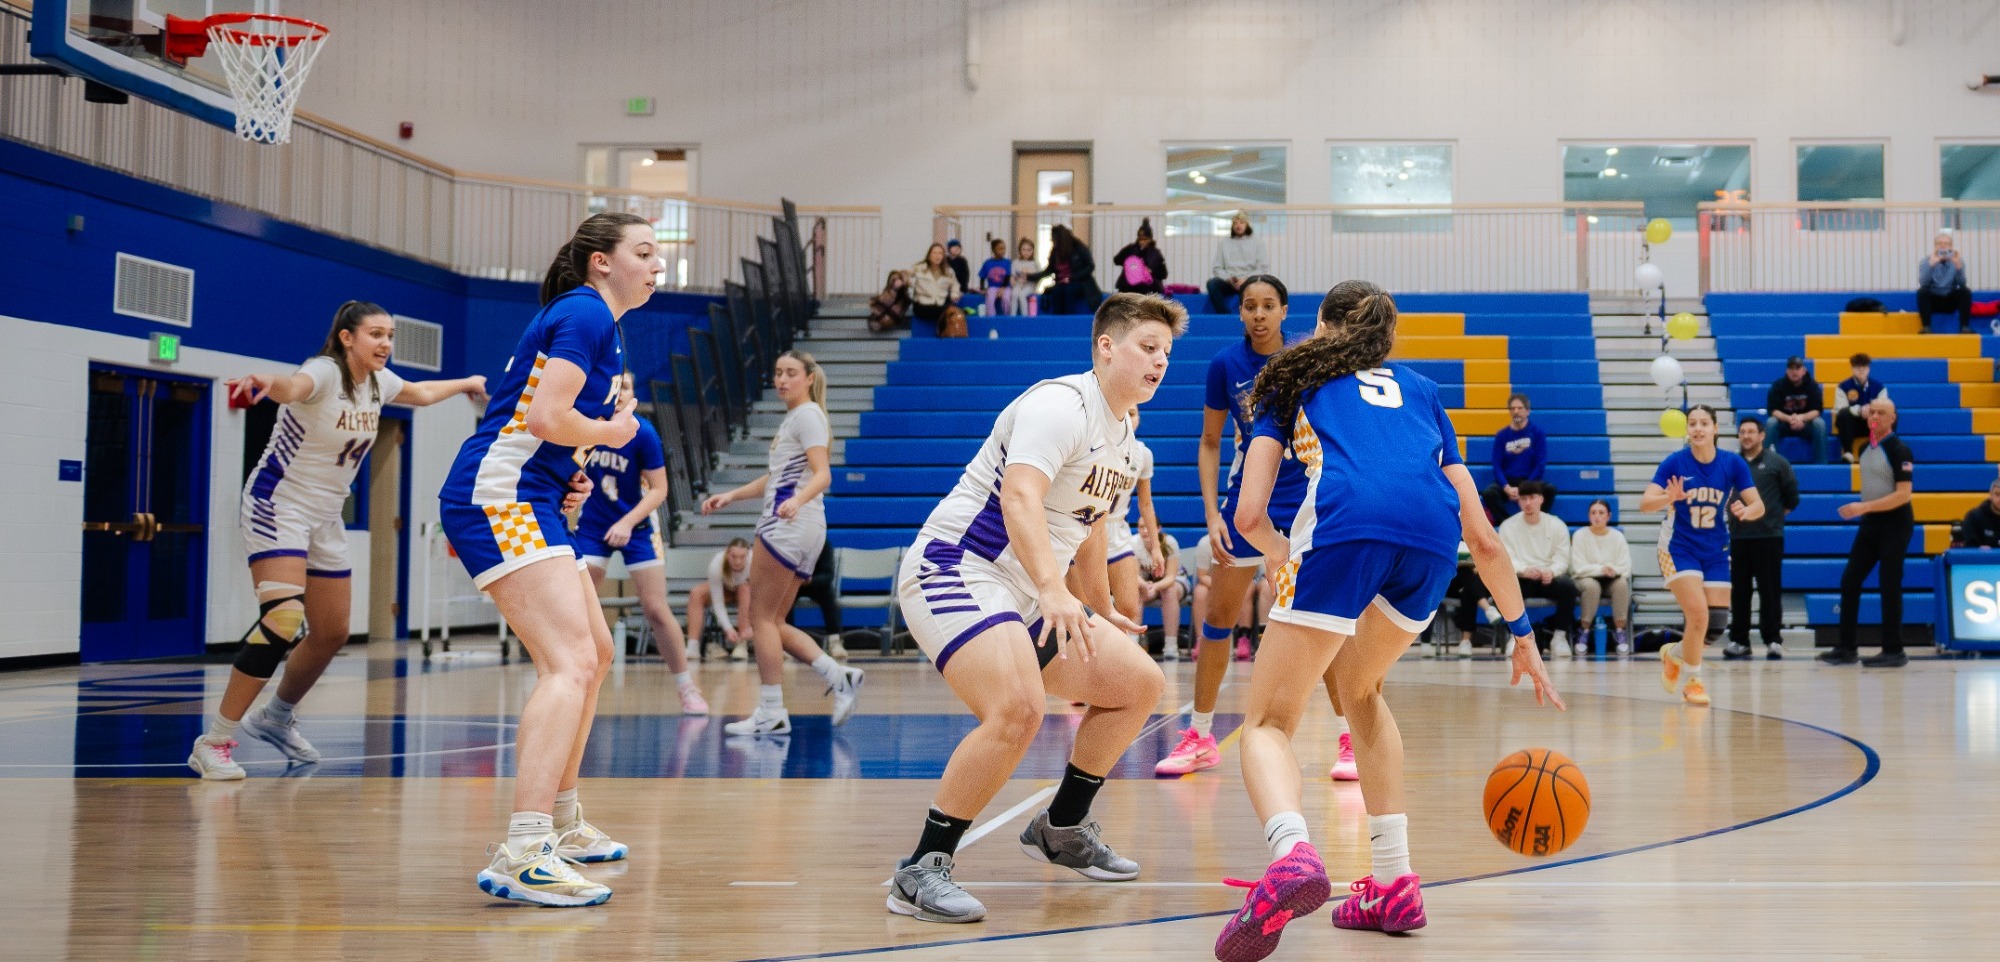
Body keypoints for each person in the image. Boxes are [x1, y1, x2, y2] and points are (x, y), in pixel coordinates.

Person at [1213, 280, 1564, 960]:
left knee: (1267, 724)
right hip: (1432, 543)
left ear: (1320, 328)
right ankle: (1395, 881)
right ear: (1387, 337)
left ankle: (1290, 855)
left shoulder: (1289, 382)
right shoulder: (1424, 392)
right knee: (1360, 689)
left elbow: (1249, 516)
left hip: (1346, 526)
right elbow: (1485, 540)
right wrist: (1522, 635)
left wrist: (1282, 556)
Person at [886, 293, 1183, 924]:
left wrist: (1099, 608)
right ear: (1106, 346)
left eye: (1167, 352)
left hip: (1027, 590)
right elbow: (1021, 499)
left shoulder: (1125, 431)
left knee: (1139, 685)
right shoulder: (1059, 404)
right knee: (1017, 709)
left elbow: (1092, 526)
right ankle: (921, 869)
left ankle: (1062, 828)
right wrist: (1055, 594)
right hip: (960, 566)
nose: (1160, 362)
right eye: (1147, 347)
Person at [439, 211, 657, 906]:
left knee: (595, 652)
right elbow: (542, 419)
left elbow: (541, 421)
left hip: (532, 493)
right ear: (601, 261)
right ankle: (524, 849)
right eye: (645, 252)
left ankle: (559, 824)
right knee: (570, 662)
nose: (659, 265)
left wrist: (573, 469)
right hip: (498, 495)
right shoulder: (587, 314)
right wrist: (611, 431)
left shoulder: (596, 322)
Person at [187, 301, 488, 781]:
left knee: (331, 632)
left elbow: (422, 392)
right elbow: (295, 386)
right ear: (348, 338)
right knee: (284, 618)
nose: (386, 343)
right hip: (277, 504)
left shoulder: (379, 383)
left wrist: (468, 383)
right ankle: (215, 741)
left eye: (390, 335)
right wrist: (270, 384)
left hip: (326, 515)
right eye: (375, 334)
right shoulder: (324, 372)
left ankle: (276, 716)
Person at [1156, 275, 1307, 778]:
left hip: (1304, 500)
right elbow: (1209, 441)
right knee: (1218, 619)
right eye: (1249, 306)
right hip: (1248, 502)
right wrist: (1211, 512)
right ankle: (1200, 734)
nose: (1259, 314)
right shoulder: (1225, 364)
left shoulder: (1306, 358)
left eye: (1268, 305)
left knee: (1328, 623)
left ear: (1284, 311)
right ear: (1240, 313)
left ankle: (1349, 738)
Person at [703, 351, 863, 734]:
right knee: (773, 621)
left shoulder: (807, 416)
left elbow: (823, 475)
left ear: (809, 377)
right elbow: (775, 479)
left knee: (760, 620)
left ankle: (772, 710)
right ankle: (838, 675)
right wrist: (731, 496)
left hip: (788, 525)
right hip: (805, 527)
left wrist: (795, 501)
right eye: (777, 373)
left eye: (791, 373)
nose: (782, 379)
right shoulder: (800, 417)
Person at [575, 373, 709, 714]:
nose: (620, 393)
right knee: (580, 604)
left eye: (628, 387)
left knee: (655, 607)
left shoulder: (643, 432)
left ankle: (686, 687)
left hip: (636, 524)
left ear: (635, 395)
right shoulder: (585, 425)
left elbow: (661, 490)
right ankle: (574, 679)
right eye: (614, 386)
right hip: (593, 524)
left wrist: (626, 522)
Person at [1640, 405, 1766, 707]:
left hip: (1715, 549)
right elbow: (1645, 503)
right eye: (1692, 423)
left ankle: (1673, 654)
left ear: (1715, 428)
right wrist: (1668, 497)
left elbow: (1758, 505)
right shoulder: (1674, 462)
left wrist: (1747, 511)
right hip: (1678, 547)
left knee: (1716, 626)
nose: (1697, 428)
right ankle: (1694, 682)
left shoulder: (1732, 463)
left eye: (1703, 423)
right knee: (1698, 614)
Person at [1820, 398, 1916, 668]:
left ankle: (1894, 650)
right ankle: (1847, 647)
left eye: (1881, 413)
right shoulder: (1864, 447)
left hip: (1896, 524)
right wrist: (1867, 509)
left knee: (1889, 584)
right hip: (1872, 523)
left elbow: (1903, 495)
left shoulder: (1900, 450)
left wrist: (1864, 506)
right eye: (1871, 411)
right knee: (1850, 580)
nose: (1874, 416)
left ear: (1892, 417)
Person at [1724, 419, 1800, 661]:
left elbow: (1792, 499)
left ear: (1762, 435)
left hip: (1769, 537)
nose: (1746, 436)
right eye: (1742, 432)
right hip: (1739, 537)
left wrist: (1771, 518)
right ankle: (1739, 640)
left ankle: (1773, 641)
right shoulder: (1731, 464)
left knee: (1769, 591)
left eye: (1751, 432)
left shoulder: (1778, 463)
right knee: (1740, 592)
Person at [1492, 482, 1580, 656]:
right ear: (1518, 501)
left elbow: (1562, 557)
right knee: (1506, 587)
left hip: (1548, 577)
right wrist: (1524, 570)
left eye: (1532, 498)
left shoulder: (1557, 525)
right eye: (1523, 498)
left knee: (1568, 587)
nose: (1528, 503)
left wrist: (1552, 571)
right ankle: (1515, 637)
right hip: (1522, 578)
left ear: (1541, 499)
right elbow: (1507, 558)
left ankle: (1559, 637)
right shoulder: (1508, 526)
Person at [1570, 499, 1633, 656]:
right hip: (1586, 578)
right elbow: (1578, 566)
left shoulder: (1617, 537)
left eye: (1601, 513)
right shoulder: (1580, 535)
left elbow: (1625, 566)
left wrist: (1613, 570)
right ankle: (1583, 631)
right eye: (1593, 513)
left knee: (1621, 584)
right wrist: (1600, 569)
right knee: (1592, 587)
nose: (1597, 516)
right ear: (1588, 516)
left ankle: (1620, 631)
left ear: (1609, 516)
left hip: (1611, 578)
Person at [1481, 393, 1554, 519]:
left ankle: (1538, 520)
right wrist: (1506, 487)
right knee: (1489, 494)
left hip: (1530, 480)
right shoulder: (1502, 435)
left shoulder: (1537, 433)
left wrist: (1525, 487)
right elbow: (1497, 466)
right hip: (1508, 481)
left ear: (1528, 411)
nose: (1516, 412)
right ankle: (1507, 524)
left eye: (1520, 408)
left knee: (1549, 490)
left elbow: (1540, 464)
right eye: (1513, 409)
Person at [688, 538, 751, 660]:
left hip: (747, 593)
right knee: (696, 593)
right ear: (727, 554)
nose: (738, 561)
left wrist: (753, 628)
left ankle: (742, 643)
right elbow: (718, 603)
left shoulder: (754, 562)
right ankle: (693, 646)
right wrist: (728, 628)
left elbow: (762, 599)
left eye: (742, 557)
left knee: (744, 589)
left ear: (747, 555)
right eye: (734, 556)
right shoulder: (717, 563)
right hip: (725, 589)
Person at [790, 539, 847, 659]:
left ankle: (835, 640)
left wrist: (810, 580)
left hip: (816, 583)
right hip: (792, 583)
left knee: (829, 597)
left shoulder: (824, 544)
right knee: (783, 599)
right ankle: (787, 644)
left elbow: (828, 575)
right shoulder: (791, 543)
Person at [1766, 356, 1828, 464]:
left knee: (1820, 424)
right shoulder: (1778, 385)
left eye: (1797, 368)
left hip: (1806, 424)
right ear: (1787, 371)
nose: (1794, 372)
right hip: (1784, 423)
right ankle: (1770, 464)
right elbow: (1773, 410)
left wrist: (1802, 418)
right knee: (1771, 423)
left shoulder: (1812, 385)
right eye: (1791, 369)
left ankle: (1822, 465)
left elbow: (1817, 410)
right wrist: (1789, 419)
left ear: (1804, 371)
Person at [1135, 531, 1188, 659]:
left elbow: (1170, 577)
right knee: (1134, 592)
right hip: (1147, 584)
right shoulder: (1134, 542)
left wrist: (1155, 587)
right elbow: (1134, 576)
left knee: (1168, 591)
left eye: (1148, 526)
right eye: (1141, 527)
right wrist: (1145, 586)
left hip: (1174, 582)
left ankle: (1171, 646)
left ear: (1157, 528)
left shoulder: (1169, 542)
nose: (1145, 530)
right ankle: (1133, 641)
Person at [1206, 213, 1271, 313]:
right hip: (1230, 282)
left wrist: (1246, 279)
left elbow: (1263, 267)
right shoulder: (1224, 243)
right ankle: (1224, 315)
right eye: (1235, 223)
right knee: (1212, 284)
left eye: (1241, 222)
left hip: (1250, 281)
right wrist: (1229, 279)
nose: (1238, 225)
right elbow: (1217, 268)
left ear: (1247, 225)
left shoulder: (1258, 243)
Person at [1031, 224, 1102, 315]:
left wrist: (1072, 278)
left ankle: (1069, 319)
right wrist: (1029, 277)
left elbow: (1090, 266)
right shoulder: (1055, 251)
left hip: (1079, 282)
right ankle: (1058, 321)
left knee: (1068, 291)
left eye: (1053, 238)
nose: (1052, 240)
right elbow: (1048, 271)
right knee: (1057, 292)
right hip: (1061, 283)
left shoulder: (1078, 247)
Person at [1833, 353, 1889, 462]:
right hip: (1852, 426)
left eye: (1864, 367)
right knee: (1843, 414)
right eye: (1858, 367)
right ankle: (1848, 453)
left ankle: (1883, 449)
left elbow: (1884, 406)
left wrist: (1871, 411)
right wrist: (1859, 410)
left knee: (1892, 413)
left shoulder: (1879, 387)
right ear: (1852, 368)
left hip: (1872, 423)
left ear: (1869, 369)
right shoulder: (1843, 387)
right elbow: (1840, 409)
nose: (1861, 370)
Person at [1918, 230, 1973, 333]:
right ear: (1935, 246)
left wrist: (1958, 268)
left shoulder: (1957, 260)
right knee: (1922, 292)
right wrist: (1931, 265)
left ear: (1951, 247)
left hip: (1950, 299)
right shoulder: (1926, 261)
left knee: (1965, 291)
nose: (1943, 246)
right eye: (1939, 243)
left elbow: (1962, 284)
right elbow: (1923, 283)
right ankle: (1926, 328)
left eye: (1946, 244)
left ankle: (1965, 327)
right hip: (1933, 300)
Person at [910, 244, 962, 331]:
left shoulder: (949, 271)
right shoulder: (919, 268)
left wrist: (954, 294)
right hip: (923, 306)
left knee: (951, 310)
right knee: (949, 312)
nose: (937, 256)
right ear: (929, 255)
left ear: (943, 256)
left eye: (940, 253)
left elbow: (955, 285)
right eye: (934, 253)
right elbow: (908, 277)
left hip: (940, 304)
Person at [1112, 218, 1168, 296]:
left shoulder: (1156, 253)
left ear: (1150, 239)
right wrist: (1129, 265)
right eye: (1140, 239)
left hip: (1147, 289)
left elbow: (1163, 273)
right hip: (1129, 287)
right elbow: (1116, 260)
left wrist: (1151, 271)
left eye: (1145, 239)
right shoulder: (1130, 249)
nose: (1142, 242)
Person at [1955, 479, 2000, 548]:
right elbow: (1967, 547)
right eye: (1997, 494)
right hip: (1984, 558)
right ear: (1990, 495)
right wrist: (1977, 550)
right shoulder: (1974, 517)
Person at [977, 238, 1013, 317]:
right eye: (999, 249)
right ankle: (991, 318)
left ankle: (1007, 317)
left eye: (1004, 248)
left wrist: (1002, 289)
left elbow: (1007, 277)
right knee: (989, 300)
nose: (1002, 251)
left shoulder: (1007, 262)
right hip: (992, 287)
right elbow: (982, 276)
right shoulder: (988, 263)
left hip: (1005, 287)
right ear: (993, 250)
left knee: (1006, 299)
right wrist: (982, 288)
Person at [868, 269, 912, 333]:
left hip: (894, 326)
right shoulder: (886, 294)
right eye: (894, 280)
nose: (896, 282)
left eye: (899, 279)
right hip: (884, 323)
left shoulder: (905, 298)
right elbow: (874, 305)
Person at [1008, 237, 1040, 315]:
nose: (1026, 252)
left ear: (1033, 251)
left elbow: (1038, 277)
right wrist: (1015, 283)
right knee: (1014, 294)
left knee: (1022, 295)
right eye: (1024, 250)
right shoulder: (1016, 262)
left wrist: (1031, 278)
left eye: (1029, 250)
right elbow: (1012, 277)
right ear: (1020, 250)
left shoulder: (1035, 263)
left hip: (1030, 286)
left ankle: (1024, 317)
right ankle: (1012, 316)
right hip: (1018, 285)